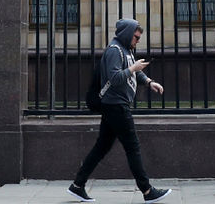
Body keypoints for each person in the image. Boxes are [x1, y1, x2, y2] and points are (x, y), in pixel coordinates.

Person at [69, 18, 171, 203]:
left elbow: (134, 72)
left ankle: (77, 185)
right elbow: (115, 78)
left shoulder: (126, 50)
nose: (137, 41)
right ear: (127, 34)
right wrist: (133, 68)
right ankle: (147, 191)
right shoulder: (114, 51)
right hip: (116, 106)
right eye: (136, 37)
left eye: (139, 38)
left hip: (115, 106)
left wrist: (149, 82)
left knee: (102, 147)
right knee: (133, 147)